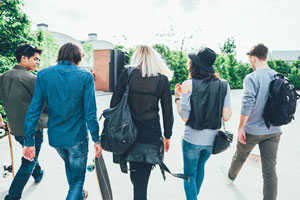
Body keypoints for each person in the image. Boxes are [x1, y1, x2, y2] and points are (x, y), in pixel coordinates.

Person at [23, 42, 102, 200]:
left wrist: (28, 140)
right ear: (78, 57)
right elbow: (90, 113)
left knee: (70, 167)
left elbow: (34, 110)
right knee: (78, 180)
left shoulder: (44, 75)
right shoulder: (85, 76)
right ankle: (76, 192)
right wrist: (96, 139)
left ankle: (79, 195)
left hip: (56, 138)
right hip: (77, 138)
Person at [110, 45, 174, 200]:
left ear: (136, 57)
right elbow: (167, 111)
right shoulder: (162, 80)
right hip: (150, 136)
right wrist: (167, 136)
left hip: (126, 134)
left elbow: (113, 104)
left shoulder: (127, 74)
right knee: (141, 181)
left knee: (137, 179)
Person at [222, 44, 282, 200]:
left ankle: (230, 177)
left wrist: (241, 127)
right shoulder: (280, 76)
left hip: (253, 130)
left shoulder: (252, 78)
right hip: (274, 131)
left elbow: (247, 103)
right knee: (270, 171)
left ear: (253, 58)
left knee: (240, 156)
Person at [174, 47, 232, 200]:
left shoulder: (188, 84)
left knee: (189, 175)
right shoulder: (224, 85)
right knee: (200, 168)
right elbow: (227, 116)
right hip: (211, 140)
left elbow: (185, 117)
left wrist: (177, 99)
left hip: (191, 139)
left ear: (194, 65)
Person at [0, 44, 48, 200]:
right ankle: (12, 196)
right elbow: (46, 104)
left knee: (30, 156)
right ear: (23, 58)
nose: (37, 63)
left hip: (14, 129)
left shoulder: (3, 76)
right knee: (27, 163)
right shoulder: (31, 79)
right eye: (35, 59)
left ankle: (39, 173)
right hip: (32, 131)